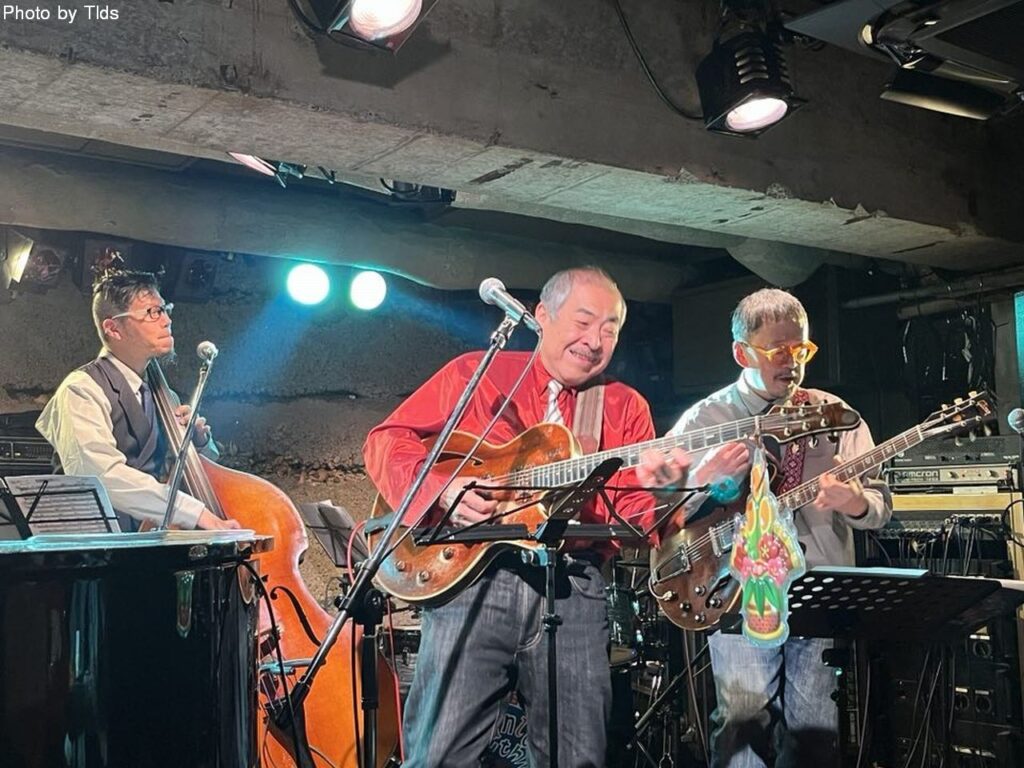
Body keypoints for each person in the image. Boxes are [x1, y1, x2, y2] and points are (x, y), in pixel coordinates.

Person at [363, 266, 689, 768]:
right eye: (583, 322)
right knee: (438, 754)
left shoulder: (626, 407)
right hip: (473, 584)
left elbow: (632, 520)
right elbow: (387, 439)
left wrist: (665, 491)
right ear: (542, 316)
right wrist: (440, 491)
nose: (595, 341)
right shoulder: (477, 374)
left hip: (573, 587)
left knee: (577, 757)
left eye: (610, 329)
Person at [667, 287, 892, 767]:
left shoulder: (836, 414)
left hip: (817, 589)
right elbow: (658, 506)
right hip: (736, 589)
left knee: (816, 733)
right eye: (777, 351)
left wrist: (855, 502)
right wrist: (705, 481)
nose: (792, 362)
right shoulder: (707, 419)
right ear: (741, 353)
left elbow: (881, 506)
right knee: (743, 726)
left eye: (801, 350)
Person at [36, 269, 238, 531]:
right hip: (94, 544)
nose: (166, 320)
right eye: (153, 312)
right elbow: (101, 475)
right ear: (113, 328)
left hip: (148, 539)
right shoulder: (81, 389)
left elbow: (182, 472)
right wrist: (195, 513)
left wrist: (199, 442)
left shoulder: (165, 396)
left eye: (165, 309)